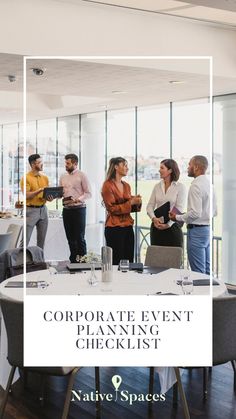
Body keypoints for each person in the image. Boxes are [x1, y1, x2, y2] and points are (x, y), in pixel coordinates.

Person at [169, 155, 213, 275]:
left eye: (189, 165)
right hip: (207, 230)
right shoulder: (209, 184)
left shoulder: (195, 185)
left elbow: (195, 213)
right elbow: (215, 211)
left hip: (196, 232)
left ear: (196, 167)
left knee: (197, 273)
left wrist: (177, 217)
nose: (188, 167)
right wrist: (187, 215)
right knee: (207, 272)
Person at [101, 157, 142, 265]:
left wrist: (137, 202)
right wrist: (131, 202)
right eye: (124, 165)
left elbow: (128, 207)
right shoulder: (107, 185)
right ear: (115, 167)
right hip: (114, 228)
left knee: (129, 261)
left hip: (128, 227)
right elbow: (112, 209)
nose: (127, 168)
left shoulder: (127, 186)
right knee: (116, 262)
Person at [146, 159, 186, 248]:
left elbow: (179, 209)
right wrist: (154, 219)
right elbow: (150, 205)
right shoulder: (157, 186)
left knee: (173, 260)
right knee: (157, 259)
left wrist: (168, 225)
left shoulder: (180, 187)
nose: (159, 170)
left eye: (162, 168)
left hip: (173, 228)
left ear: (170, 170)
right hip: (157, 227)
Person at [59, 153, 92, 263]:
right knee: (70, 238)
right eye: (65, 163)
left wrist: (79, 199)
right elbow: (61, 193)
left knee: (79, 238)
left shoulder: (82, 175)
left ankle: (83, 261)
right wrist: (56, 194)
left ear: (75, 163)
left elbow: (89, 193)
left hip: (79, 209)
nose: (66, 165)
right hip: (66, 210)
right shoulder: (63, 176)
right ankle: (73, 261)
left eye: (68, 163)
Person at [20, 153, 53, 249]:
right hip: (31, 211)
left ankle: (39, 263)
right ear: (33, 164)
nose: (42, 164)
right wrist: (39, 190)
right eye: (40, 162)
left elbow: (46, 195)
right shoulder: (25, 178)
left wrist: (50, 198)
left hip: (43, 210)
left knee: (41, 241)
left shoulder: (45, 178)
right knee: (25, 240)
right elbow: (26, 195)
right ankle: (20, 263)